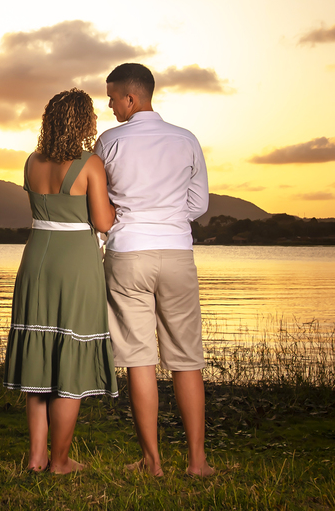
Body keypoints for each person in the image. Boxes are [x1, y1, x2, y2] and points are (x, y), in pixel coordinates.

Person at [94, 63, 215, 477]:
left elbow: (99, 203)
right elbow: (199, 204)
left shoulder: (109, 142)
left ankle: (153, 462)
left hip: (129, 253)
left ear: (130, 98)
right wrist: (169, 217)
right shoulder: (186, 139)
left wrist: (132, 217)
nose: (110, 107)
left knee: (139, 359)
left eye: (112, 99)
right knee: (187, 359)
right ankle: (197, 462)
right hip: (177, 252)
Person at [3, 88, 119, 474]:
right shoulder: (90, 164)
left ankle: (36, 458)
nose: (95, 120)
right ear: (83, 122)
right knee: (70, 360)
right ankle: (60, 460)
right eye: (91, 116)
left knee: (38, 358)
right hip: (76, 264)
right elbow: (102, 222)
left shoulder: (31, 162)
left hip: (36, 259)